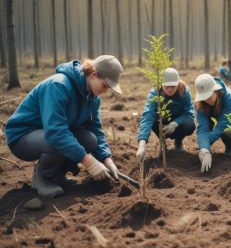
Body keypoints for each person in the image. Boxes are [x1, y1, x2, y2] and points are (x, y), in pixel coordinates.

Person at [5, 55, 123, 198]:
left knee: (89, 139)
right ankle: (42, 178)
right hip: (23, 137)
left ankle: (57, 175)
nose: (105, 91)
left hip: (47, 134)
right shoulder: (58, 85)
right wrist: (89, 161)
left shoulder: (92, 97)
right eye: (105, 85)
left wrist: (106, 158)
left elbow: (95, 129)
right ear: (93, 75)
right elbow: (56, 132)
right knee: (57, 141)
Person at [136, 68, 195, 163]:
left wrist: (175, 123)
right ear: (161, 84)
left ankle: (178, 141)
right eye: (166, 87)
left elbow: (189, 114)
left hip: (178, 122)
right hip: (161, 120)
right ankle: (162, 143)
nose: (169, 89)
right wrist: (142, 144)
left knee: (189, 125)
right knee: (153, 120)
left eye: (173, 86)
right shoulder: (155, 93)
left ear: (178, 83)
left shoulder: (184, 92)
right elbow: (147, 116)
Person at [194, 74, 231, 173]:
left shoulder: (228, 97)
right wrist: (205, 150)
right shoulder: (200, 104)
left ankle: (230, 146)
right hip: (211, 116)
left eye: (209, 95)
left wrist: (205, 143)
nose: (207, 100)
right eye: (204, 97)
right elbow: (202, 128)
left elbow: (223, 124)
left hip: (228, 120)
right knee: (203, 139)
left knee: (228, 131)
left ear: (216, 91)